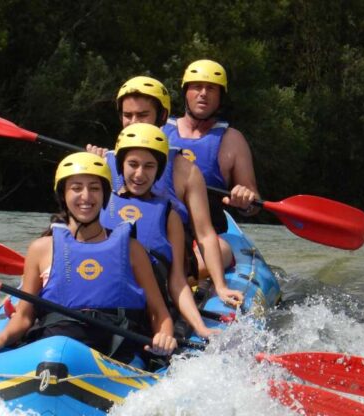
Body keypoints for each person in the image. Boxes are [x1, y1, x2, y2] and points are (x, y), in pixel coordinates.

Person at [0, 152, 177, 362]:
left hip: (114, 350)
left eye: (94, 188)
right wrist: (2, 337)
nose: (86, 196)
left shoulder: (131, 249)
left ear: (104, 195)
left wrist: (164, 335)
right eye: (76, 188)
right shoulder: (41, 249)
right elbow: (24, 315)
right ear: (63, 195)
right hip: (53, 346)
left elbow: (159, 313)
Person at [87, 76, 243, 305]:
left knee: (223, 249)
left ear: (161, 117)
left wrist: (220, 286)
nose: (133, 123)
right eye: (127, 115)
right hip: (110, 258)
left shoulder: (185, 170)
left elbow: (204, 234)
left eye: (142, 115)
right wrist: (91, 170)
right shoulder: (102, 162)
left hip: (164, 263)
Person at [101, 123, 220, 339]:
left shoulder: (168, 214)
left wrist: (200, 327)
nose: (140, 174)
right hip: (101, 302)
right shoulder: (98, 204)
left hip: (144, 310)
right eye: (133, 164)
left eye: (149, 166)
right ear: (120, 165)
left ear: (158, 171)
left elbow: (177, 281)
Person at [162, 59, 261, 233]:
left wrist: (246, 201)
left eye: (211, 88)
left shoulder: (233, 140)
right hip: (163, 227)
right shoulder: (159, 132)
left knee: (203, 259)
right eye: (197, 86)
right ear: (186, 92)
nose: (203, 93)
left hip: (208, 230)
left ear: (220, 97)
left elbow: (255, 204)